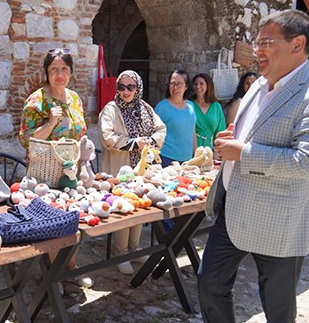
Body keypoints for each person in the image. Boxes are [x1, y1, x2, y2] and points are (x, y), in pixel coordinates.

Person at [198, 10, 309, 323]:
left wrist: (243, 151)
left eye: (266, 42)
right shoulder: (257, 86)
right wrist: (232, 138)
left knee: (277, 307)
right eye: (257, 42)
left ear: (297, 45)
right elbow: (252, 134)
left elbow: (307, 161)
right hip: (233, 209)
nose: (257, 50)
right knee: (210, 284)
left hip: (279, 219)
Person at [18, 48, 93, 292]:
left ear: (71, 72)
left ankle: (70, 269)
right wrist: (51, 122)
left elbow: (81, 131)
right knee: (51, 225)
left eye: (64, 69)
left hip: (72, 173)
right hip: (45, 176)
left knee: (74, 217)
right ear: (46, 72)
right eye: (54, 69)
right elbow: (26, 139)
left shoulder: (74, 98)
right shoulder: (37, 100)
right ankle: (53, 276)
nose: (59, 74)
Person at [99, 70, 166, 275]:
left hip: (142, 168)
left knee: (139, 205)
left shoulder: (145, 108)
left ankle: (134, 249)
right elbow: (107, 137)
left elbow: (160, 129)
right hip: (121, 167)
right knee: (123, 206)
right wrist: (134, 143)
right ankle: (121, 253)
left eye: (131, 87)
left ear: (138, 88)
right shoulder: (110, 109)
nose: (126, 91)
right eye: (121, 87)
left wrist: (150, 142)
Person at [153, 69, 196, 167]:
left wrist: (196, 153)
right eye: (172, 83)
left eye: (179, 84)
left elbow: (192, 131)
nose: (175, 87)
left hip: (188, 160)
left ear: (186, 86)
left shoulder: (191, 106)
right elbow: (154, 133)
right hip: (167, 159)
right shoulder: (161, 107)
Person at [192, 73, 226, 149]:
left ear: (208, 86)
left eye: (201, 84)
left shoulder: (216, 106)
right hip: (193, 148)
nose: (198, 87)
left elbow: (221, 131)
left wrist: (217, 151)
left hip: (211, 149)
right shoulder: (189, 105)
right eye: (195, 84)